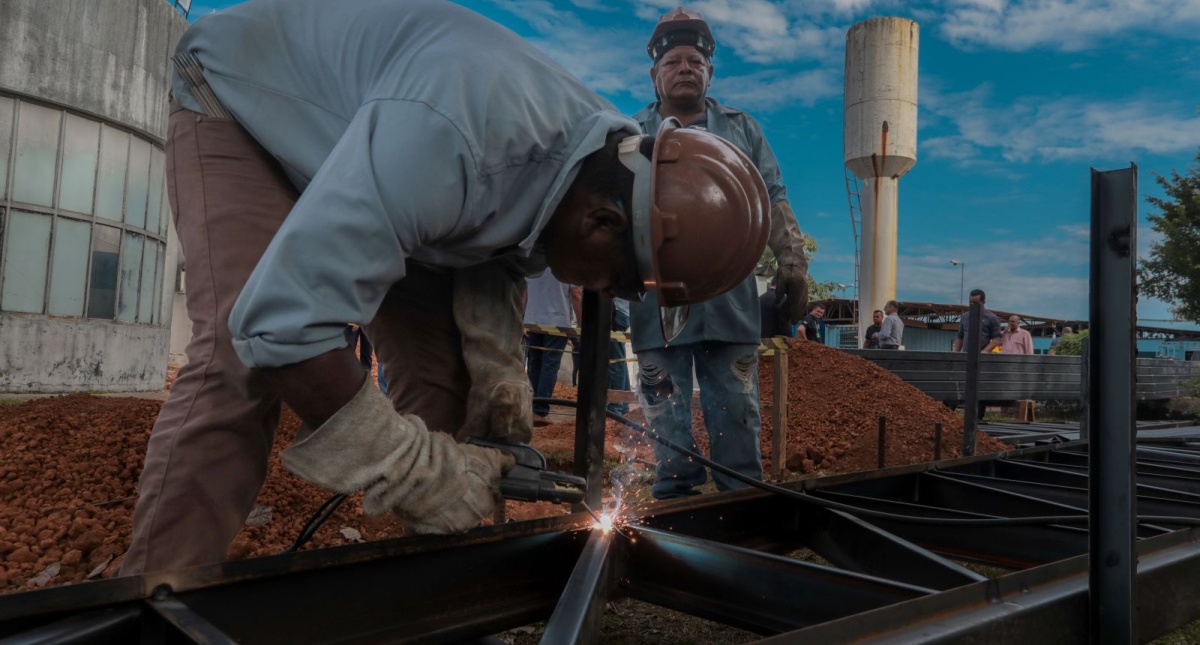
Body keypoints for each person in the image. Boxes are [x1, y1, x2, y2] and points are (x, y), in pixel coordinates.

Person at [122, 0, 772, 574]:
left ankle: (449, 593)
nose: (614, 295)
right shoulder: (453, 137)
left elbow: (511, 225)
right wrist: (414, 470)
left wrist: (493, 367)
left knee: (446, 385)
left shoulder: (599, 156)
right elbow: (282, 328)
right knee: (239, 363)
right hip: (244, 101)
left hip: (380, 145)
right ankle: (155, 596)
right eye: (621, 281)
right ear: (602, 222)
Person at [629, 7, 809, 500]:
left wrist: (792, 262)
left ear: (710, 71)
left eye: (694, 61)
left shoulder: (741, 129)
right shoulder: (628, 134)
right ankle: (675, 495)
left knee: (735, 404)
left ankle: (740, 499)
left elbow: (771, 195)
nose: (685, 69)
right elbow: (606, 210)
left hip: (729, 299)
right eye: (673, 62)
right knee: (664, 406)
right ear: (654, 74)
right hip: (654, 299)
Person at [524, 271, 574, 425]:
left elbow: (523, 292)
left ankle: (529, 409)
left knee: (534, 364)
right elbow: (577, 293)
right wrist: (581, 326)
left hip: (532, 320)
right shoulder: (566, 264)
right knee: (549, 365)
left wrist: (522, 318)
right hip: (557, 321)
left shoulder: (533, 261)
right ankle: (540, 411)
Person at [953, 289, 1003, 353]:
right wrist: (955, 354)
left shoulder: (992, 318)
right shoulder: (965, 317)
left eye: (976, 303)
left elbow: (997, 339)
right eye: (971, 302)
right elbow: (960, 337)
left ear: (983, 302)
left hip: (982, 358)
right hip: (966, 356)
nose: (973, 305)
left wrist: (984, 351)